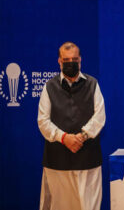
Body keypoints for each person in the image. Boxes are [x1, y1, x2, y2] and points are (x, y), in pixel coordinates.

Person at [38, 42, 106, 210]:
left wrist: (81, 136)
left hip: (88, 160)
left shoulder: (92, 84)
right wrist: (64, 137)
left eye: (74, 59)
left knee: (88, 206)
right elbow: (43, 121)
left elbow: (100, 117)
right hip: (57, 162)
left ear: (80, 60)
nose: (71, 63)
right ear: (59, 61)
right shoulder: (49, 87)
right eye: (66, 60)